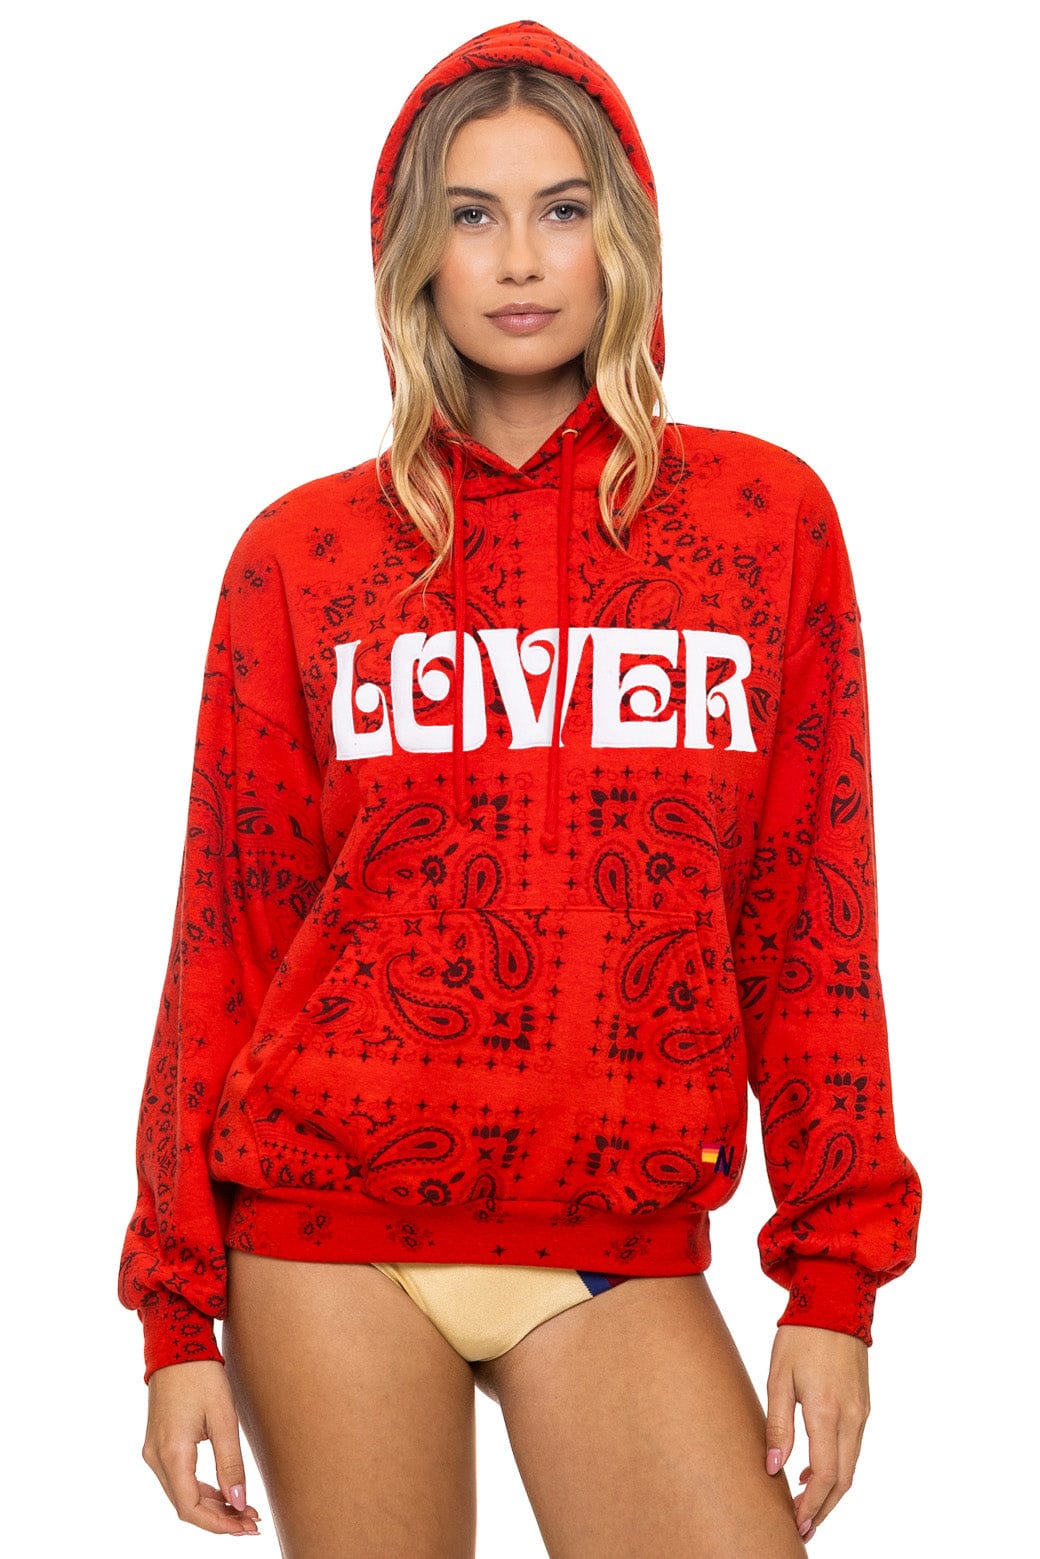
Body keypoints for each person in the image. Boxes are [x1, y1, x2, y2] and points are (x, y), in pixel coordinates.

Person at [117, 18, 922, 1555]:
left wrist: (834, 1286)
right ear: (412, 254)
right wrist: (172, 1315)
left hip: (616, 1238)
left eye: (562, 209)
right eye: (471, 215)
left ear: (625, 235)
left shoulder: (761, 526)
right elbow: (226, 933)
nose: (520, 259)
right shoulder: (305, 556)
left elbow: (811, 916)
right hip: (325, 1227)